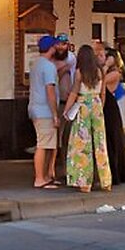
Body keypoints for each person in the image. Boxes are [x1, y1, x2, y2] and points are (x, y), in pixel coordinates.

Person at [62, 45, 112, 193]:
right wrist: (100, 107)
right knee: (100, 143)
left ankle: (85, 183)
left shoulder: (79, 73)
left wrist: (66, 110)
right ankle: (106, 181)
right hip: (96, 105)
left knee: (82, 145)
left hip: (83, 106)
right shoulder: (100, 72)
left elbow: (74, 93)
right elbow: (103, 93)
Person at [96, 42, 125, 185]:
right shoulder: (103, 70)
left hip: (110, 108)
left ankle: (115, 174)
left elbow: (100, 83)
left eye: (103, 56)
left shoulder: (115, 73)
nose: (101, 58)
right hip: (104, 106)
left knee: (112, 141)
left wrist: (105, 67)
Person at [29, 36, 61, 189]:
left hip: (35, 107)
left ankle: (46, 176)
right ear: (52, 48)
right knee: (43, 145)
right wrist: (55, 114)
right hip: (45, 111)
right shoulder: (49, 67)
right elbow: (50, 91)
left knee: (47, 144)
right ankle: (40, 178)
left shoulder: (35, 64)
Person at [52, 34, 77, 184]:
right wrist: (63, 70)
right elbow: (53, 79)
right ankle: (56, 168)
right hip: (58, 101)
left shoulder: (72, 58)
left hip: (71, 102)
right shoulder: (52, 61)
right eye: (59, 44)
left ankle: (68, 167)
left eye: (64, 44)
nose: (61, 47)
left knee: (69, 136)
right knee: (57, 136)